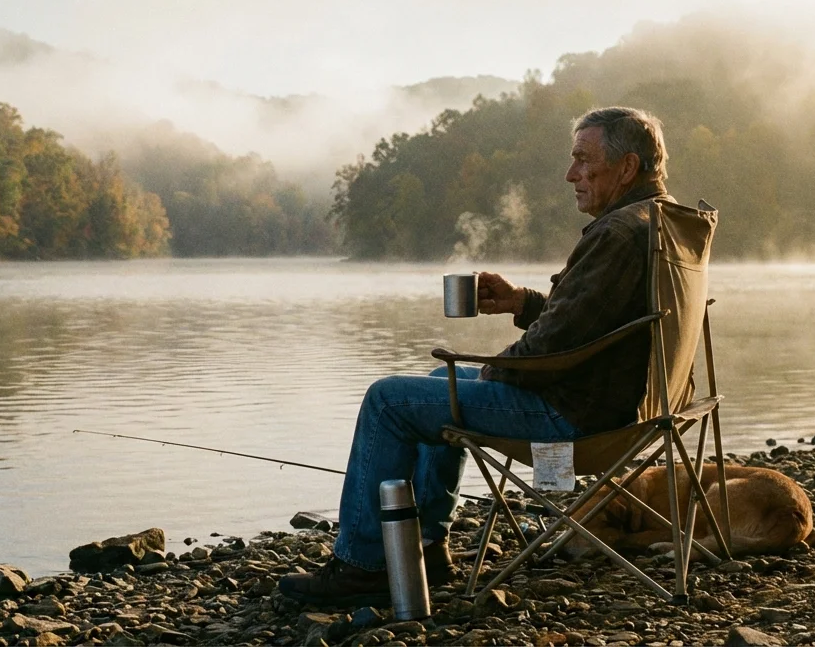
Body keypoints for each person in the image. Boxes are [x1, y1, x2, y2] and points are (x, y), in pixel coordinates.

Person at [278, 106, 673, 606]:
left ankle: (362, 565)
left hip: (574, 416)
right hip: (628, 408)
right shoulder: (656, 220)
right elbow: (595, 320)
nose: (570, 174)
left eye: (581, 160)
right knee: (434, 382)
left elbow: (554, 345)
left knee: (389, 400)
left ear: (626, 167)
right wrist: (522, 303)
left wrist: (496, 369)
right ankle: (428, 548)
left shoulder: (617, 233)